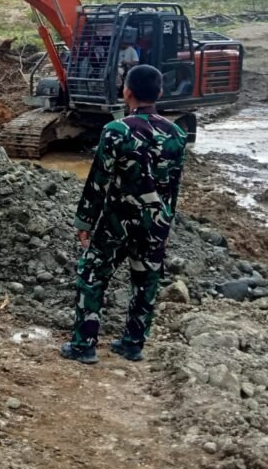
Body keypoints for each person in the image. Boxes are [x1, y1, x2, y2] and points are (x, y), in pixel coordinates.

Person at [60, 65, 187, 364]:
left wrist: (84, 222)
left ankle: (84, 346)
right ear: (159, 92)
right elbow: (173, 186)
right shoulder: (177, 134)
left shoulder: (116, 131)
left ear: (126, 91)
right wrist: (165, 224)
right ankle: (133, 344)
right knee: (146, 281)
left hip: (117, 221)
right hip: (155, 223)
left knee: (92, 275)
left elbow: (98, 180)